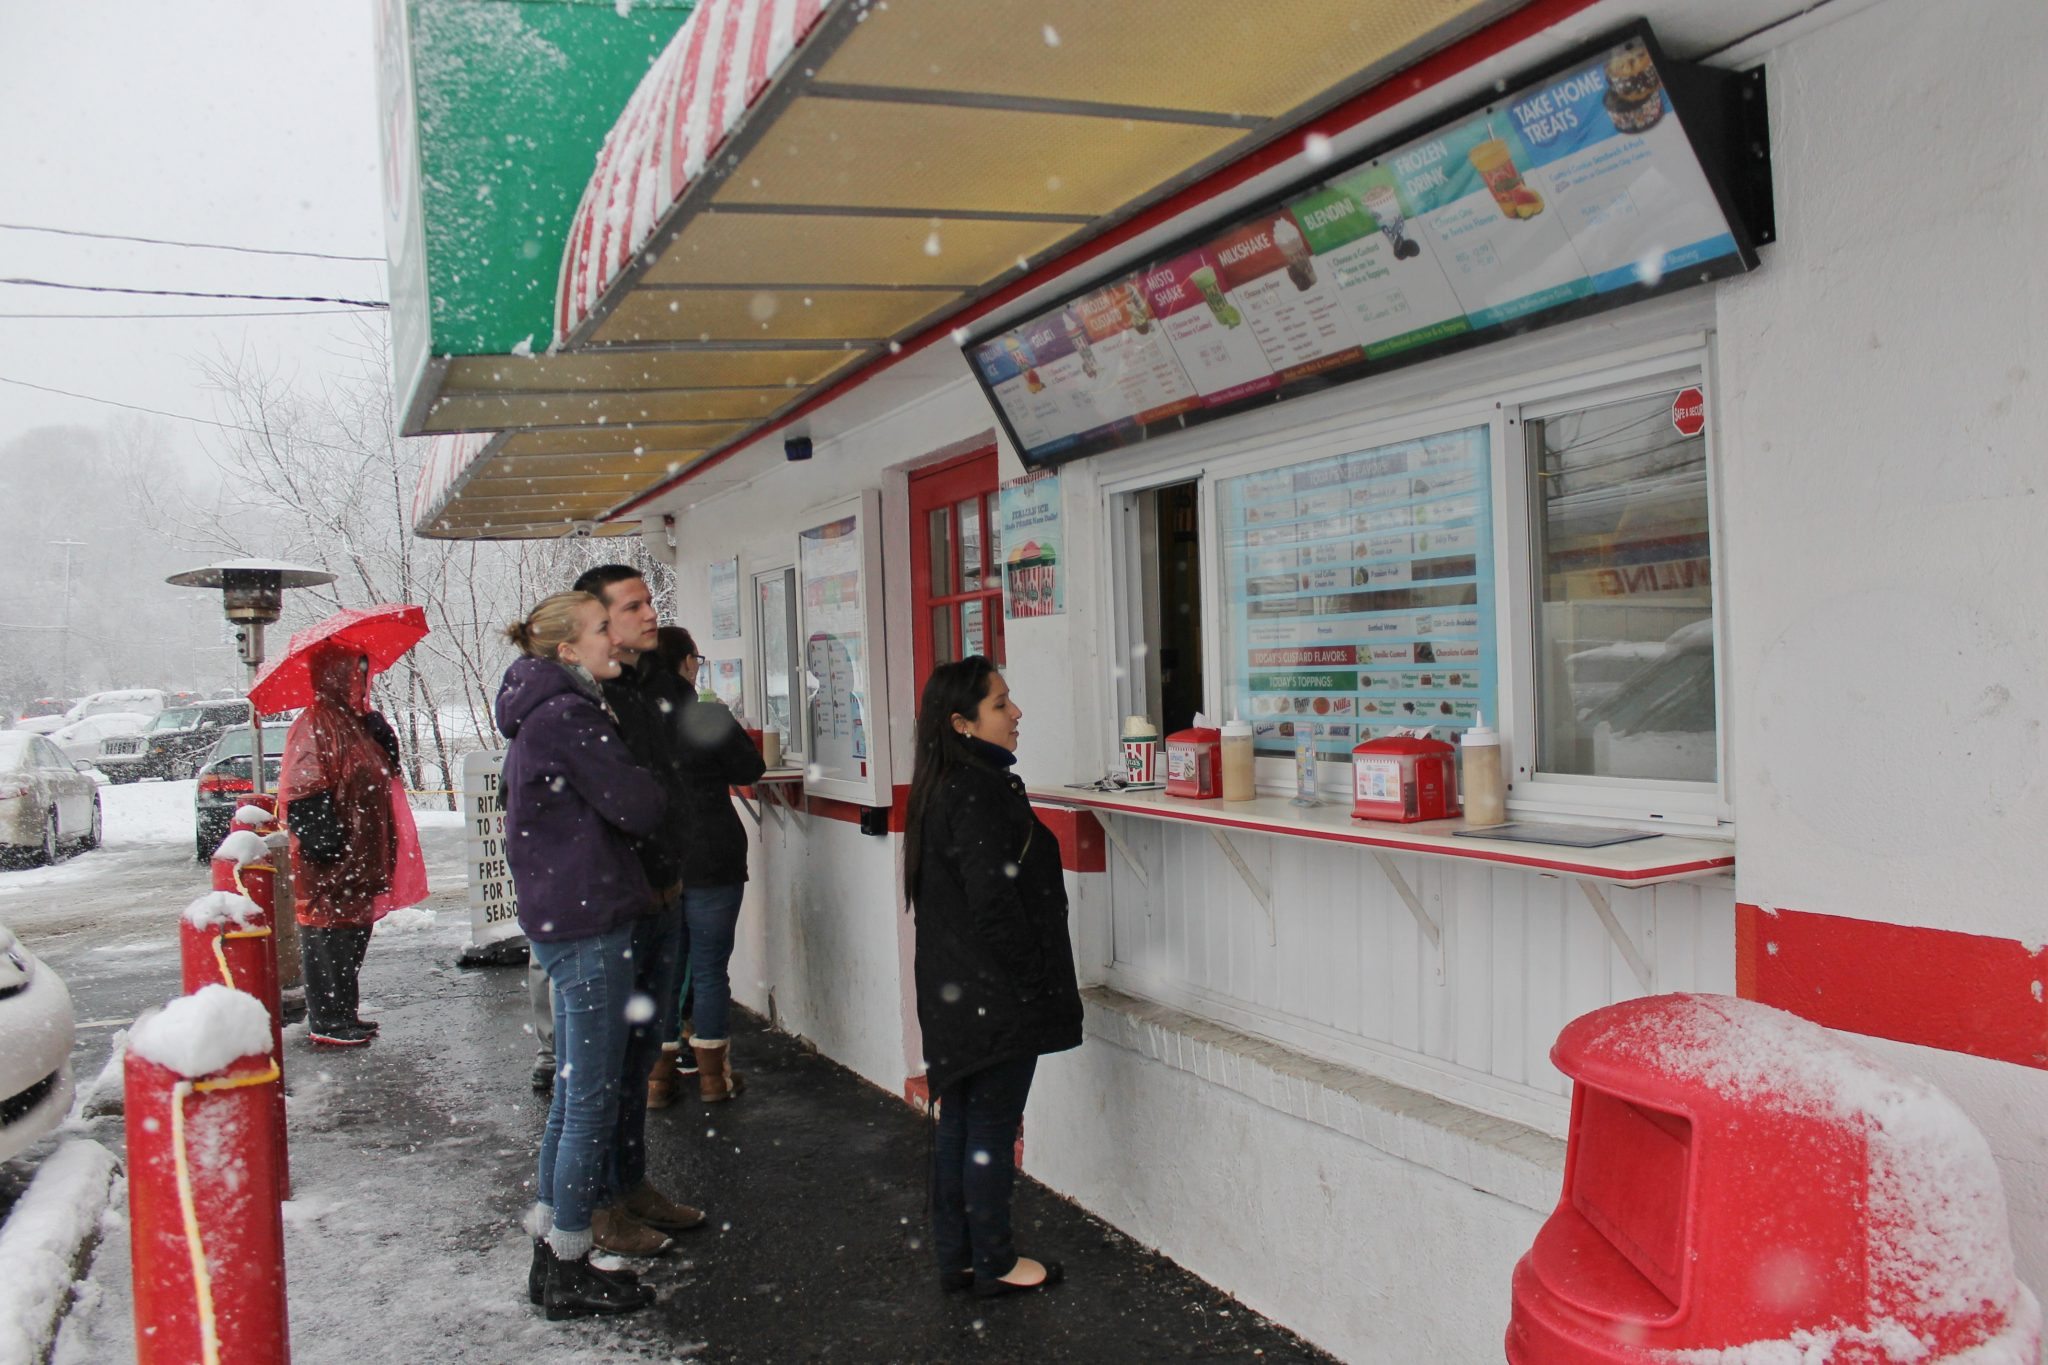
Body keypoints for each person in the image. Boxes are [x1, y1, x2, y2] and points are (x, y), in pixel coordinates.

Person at [498, 590, 667, 1319]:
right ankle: (568, 1265)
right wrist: (655, 779)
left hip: (565, 915)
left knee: (573, 1094)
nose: (613, 638)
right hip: (587, 918)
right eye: (603, 628)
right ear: (566, 647)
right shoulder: (569, 714)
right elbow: (639, 805)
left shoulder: (542, 709)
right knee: (591, 1097)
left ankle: (554, 1249)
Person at [902, 656, 1082, 1298]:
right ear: (962, 722)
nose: (1016, 713)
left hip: (960, 989)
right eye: (1001, 704)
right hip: (992, 994)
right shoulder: (975, 790)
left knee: (962, 1123)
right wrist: (1033, 982)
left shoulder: (946, 783)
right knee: (988, 1127)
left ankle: (960, 1257)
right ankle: (995, 1261)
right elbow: (995, 904)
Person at [567, 566, 704, 1249]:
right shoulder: (590, 701)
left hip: (667, 892)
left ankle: (632, 1185)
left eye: (651, 600)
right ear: (596, 621)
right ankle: (601, 1208)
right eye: (633, 605)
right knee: (606, 1070)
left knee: (644, 1050)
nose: (650, 613)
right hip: (622, 904)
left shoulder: (655, 686)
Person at [648, 625, 765, 1103]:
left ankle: (658, 1079)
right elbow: (749, 770)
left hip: (661, 856)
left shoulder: (636, 719)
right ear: (685, 663)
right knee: (713, 969)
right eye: (695, 657)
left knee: (667, 968)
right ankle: (715, 1079)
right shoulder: (707, 715)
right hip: (714, 852)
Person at [278, 647, 413, 1048]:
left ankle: (342, 1014)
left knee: (351, 936)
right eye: (357, 674)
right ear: (335, 676)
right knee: (328, 938)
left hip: (360, 854)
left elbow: (381, 773)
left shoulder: (354, 724)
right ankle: (329, 1020)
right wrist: (326, 843)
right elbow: (301, 788)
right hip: (333, 858)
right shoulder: (315, 723)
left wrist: (383, 739)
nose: (362, 682)